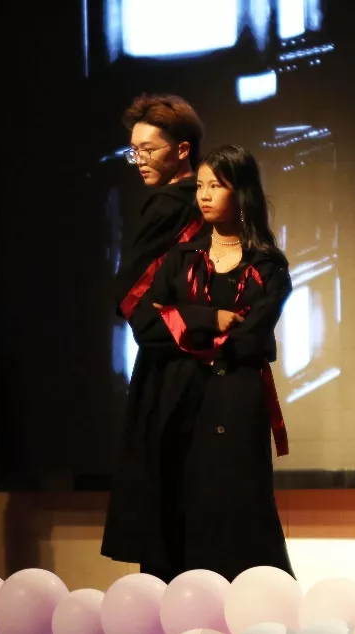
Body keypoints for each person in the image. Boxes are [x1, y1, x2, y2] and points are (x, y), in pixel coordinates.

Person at [102, 144, 294, 582]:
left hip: (237, 402)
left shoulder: (268, 265)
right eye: (200, 186)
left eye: (216, 186)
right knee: (176, 506)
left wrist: (183, 325)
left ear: (241, 192)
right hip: (180, 399)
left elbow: (249, 339)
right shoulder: (181, 258)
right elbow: (148, 325)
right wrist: (211, 318)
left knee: (236, 511)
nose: (204, 196)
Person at [114, 93, 208, 320]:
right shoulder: (210, 197)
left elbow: (128, 292)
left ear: (182, 150)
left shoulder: (168, 204)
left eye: (148, 150)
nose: (139, 160)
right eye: (135, 151)